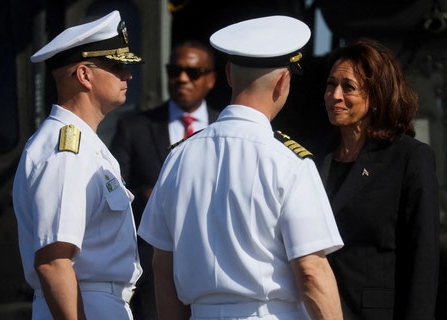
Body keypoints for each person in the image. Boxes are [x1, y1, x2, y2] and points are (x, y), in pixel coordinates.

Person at [137, 15, 345, 320]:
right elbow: (311, 273)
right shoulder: (290, 163)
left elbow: (161, 265)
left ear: (229, 75)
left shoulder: (178, 158)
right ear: (283, 82)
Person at [12, 10, 143, 320]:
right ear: (84, 75)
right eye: (116, 66)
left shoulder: (84, 145)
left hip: (95, 301)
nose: (128, 75)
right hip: (83, 303)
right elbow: (53, 261)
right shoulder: (66, 150)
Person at [313, 37, 440, 319]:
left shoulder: (409, 159)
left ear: (377, 95)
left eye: (349, 87)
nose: (335, 95)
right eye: (331, 84)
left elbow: (422, 257)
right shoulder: (311, 156)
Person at [110, 39, 219, 320]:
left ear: (211, 80)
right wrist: (147, 196)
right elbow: (113, 190)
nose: (182, 78)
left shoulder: (226, 130)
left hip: (217, 269)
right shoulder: (134, 127)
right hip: (154, 270)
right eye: (174, 70)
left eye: (192, 73)